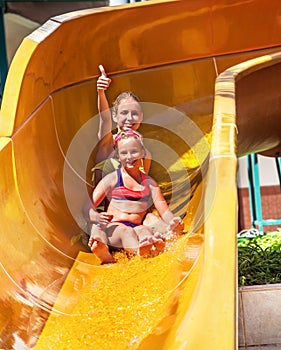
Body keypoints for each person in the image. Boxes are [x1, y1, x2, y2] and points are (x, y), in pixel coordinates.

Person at [88, 129, 184, 264]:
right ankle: (139, 252)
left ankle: (153, 245)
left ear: (143, 152)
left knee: (143, 230)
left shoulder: (150, 184)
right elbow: (88, 206)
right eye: (123, 153)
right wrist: (96, 216)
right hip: (114, 229)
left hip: (136, 227)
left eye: (134, 151)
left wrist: (173, 222)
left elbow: (164, 210)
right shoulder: (111, 179)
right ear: (118, 155)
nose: (129, 157)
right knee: (126, 232)